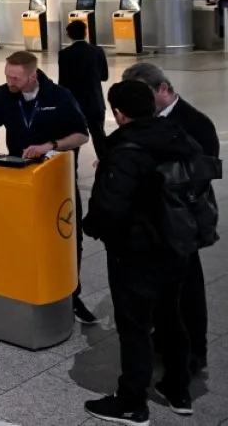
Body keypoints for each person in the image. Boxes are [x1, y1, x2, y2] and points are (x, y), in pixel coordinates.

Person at [82, 80, 202, 424]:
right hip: (177, 246)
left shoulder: (124, 150)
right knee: (171, 315)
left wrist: (93, 225)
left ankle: (132, 402)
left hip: (135, 253)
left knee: (134, 325)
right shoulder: (179, 137)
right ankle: (178, 389)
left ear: (118, 114)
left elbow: (108, 209)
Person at [121, 62, 218, 375]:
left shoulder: (195, 123)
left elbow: (202, 173)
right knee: (160, 289)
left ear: (163, 89)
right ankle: (164, 338)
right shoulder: (144, 120)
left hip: (182, 223)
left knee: (188, 289)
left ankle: (195, 350)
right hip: (153, 223)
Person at [0, 50, 94, 324]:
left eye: (15, 77)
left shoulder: (60, 96)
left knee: (67, 235)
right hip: (18, 178)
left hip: (57, 180)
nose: (9, 81)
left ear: (33, 76)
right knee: (20, 234)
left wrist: (50, 146)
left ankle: (71, 293)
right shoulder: (2, 94)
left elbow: (82, 135)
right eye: (7, 75)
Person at [59, 20, 109, 161]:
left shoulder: (64, 54)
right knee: (99, 137)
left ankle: (71, 173)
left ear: (68, 35)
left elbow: (62, 83)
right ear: (86, 32)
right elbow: (104, 76)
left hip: (74, 104)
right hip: (95, 102)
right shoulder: (97, 51)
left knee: (73, 141)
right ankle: (106, 167)